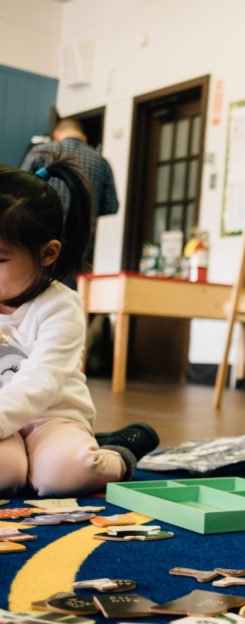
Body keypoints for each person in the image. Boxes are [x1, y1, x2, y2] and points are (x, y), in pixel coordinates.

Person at [0, 160, 137, 496]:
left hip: (53, 419)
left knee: (63, 475)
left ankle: (118, 452)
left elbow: (41, 381)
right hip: (5, 426)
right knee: (5, 475)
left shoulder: (61, 306)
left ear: (48, 253)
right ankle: (26, 462)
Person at [21, 118, 119, 282]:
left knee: (37, 281)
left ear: (56, 135)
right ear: (84, 138)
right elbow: (111, 206)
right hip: (82, 234)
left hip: (42, 228)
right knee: (71, 284)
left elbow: (20, 188)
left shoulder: (41, 151)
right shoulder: (101, 161)